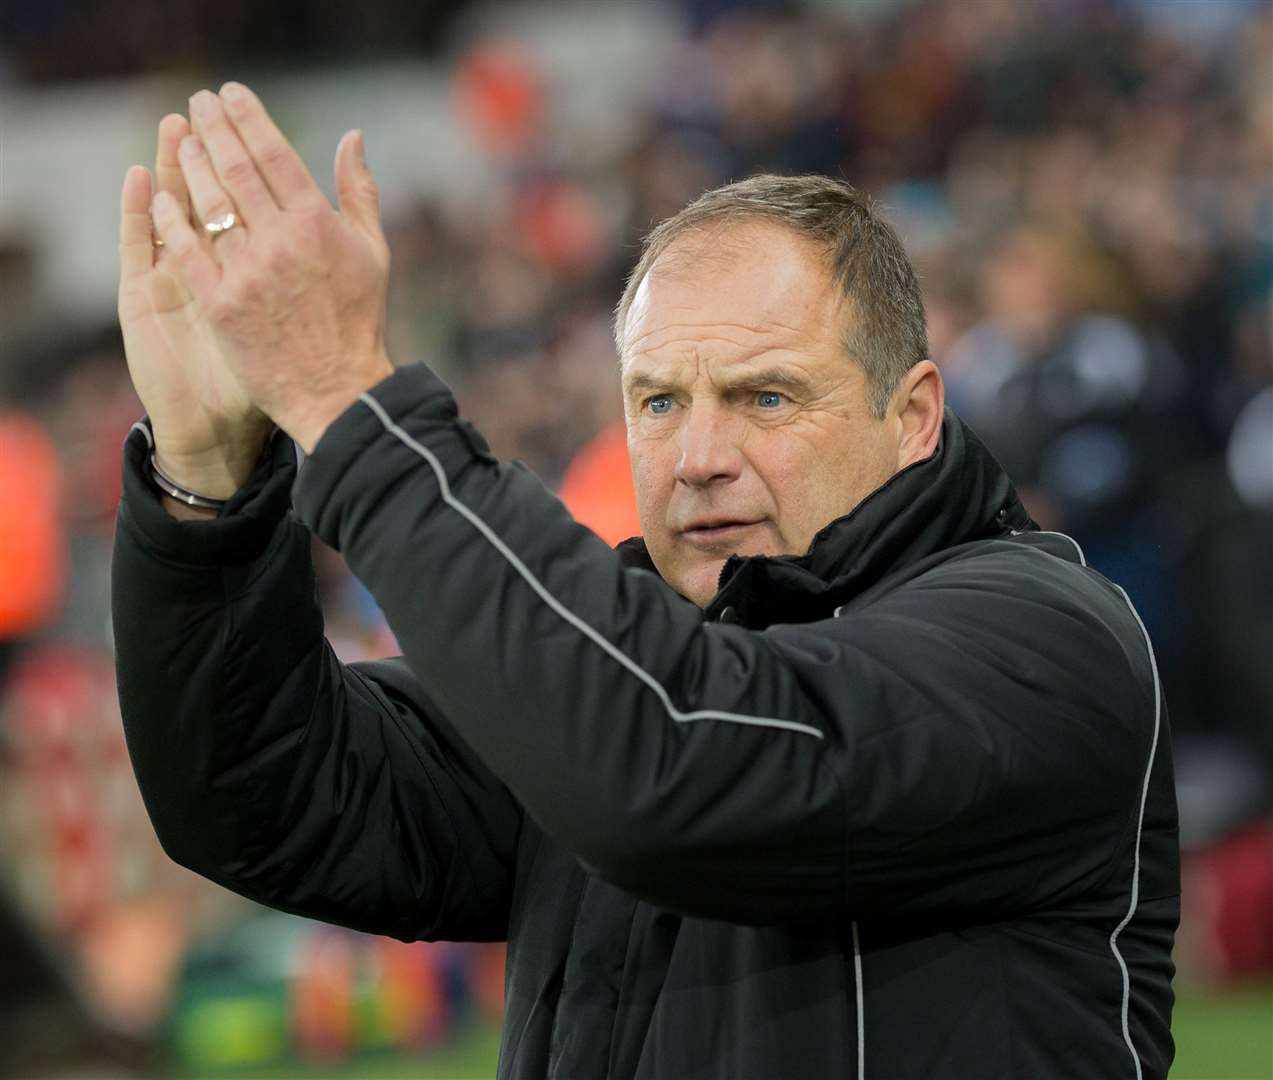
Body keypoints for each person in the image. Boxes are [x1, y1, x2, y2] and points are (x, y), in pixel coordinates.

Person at [112, 84, 1178, 1079]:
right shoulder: (615, 673)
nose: (696, 456)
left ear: (910, 418)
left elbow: (680, 762)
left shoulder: (1043, 641)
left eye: (765, 397)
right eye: (658, 402)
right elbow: (262, 794)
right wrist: (207, 482)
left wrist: (353, 407)